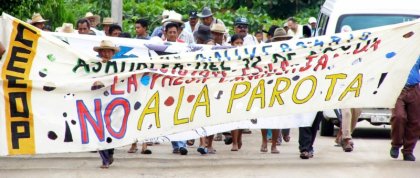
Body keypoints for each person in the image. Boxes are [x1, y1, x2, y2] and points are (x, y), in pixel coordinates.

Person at [93, 40, 120, 168]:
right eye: (103, 51)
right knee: (99, 130)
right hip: (97, 102)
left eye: (108, 51)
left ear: (113, 53)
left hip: (114, 103)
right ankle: (105, 159)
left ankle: (110, 153)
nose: (105, 53)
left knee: (111, 130)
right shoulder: (93, 65)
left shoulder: (119, 66)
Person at [390, 57, 420, 161]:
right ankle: (396, 144)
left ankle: (408, 151)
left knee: (415, 121)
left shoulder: (417, 52)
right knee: (398, 116)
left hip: (414, 88)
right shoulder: (395, 50)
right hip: (397, 89)